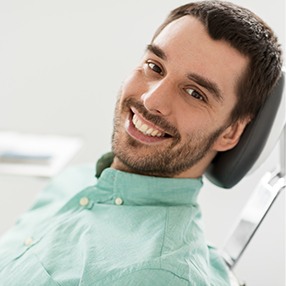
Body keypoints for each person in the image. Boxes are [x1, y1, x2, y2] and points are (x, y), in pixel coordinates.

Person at [0, 1, 282, 285]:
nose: (151, 100)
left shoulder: (157, 275)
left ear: (230, 133)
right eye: (154, 66)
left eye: (195, 93)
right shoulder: (76, 180)